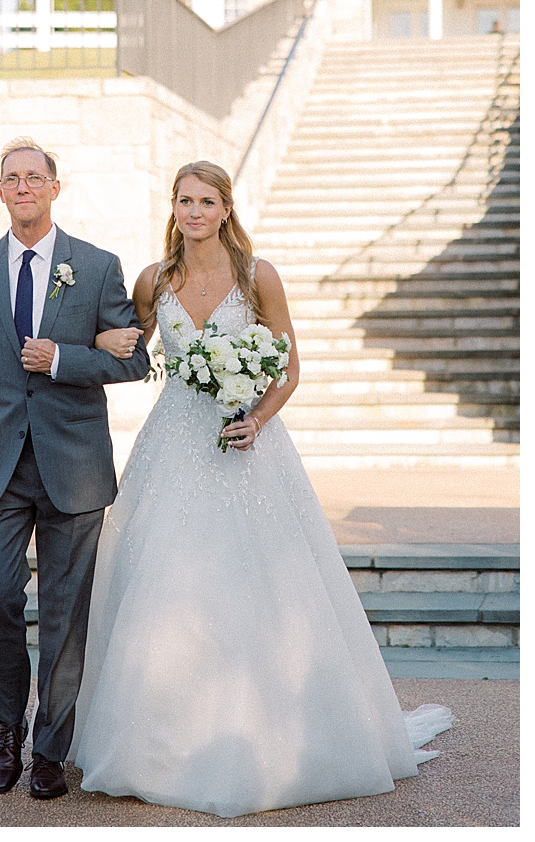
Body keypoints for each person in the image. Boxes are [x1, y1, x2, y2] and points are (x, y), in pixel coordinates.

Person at [68, 160, 451, 818]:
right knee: (168, 588)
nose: (194, 211)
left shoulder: (257, 276)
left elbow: (290, 366)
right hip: (172, 448)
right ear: (174, 208)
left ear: (225, 209)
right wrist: (97, 339)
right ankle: (158, 743)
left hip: (248, 447)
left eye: (206, 201)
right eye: (184, 200)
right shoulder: (154, 279)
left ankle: (276, 738)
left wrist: (257, 419)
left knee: (264, 585)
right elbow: (132, 357)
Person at [0, 137, 150, 801]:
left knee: (65, 614)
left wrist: (62, 357)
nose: (23, 186)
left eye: (35, 176)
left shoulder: (97, 266)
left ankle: (52, 748)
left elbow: (133, 361)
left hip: (74, 467)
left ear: (56, 187)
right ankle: (7, 725)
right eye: (12, 178)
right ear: (0, 191)